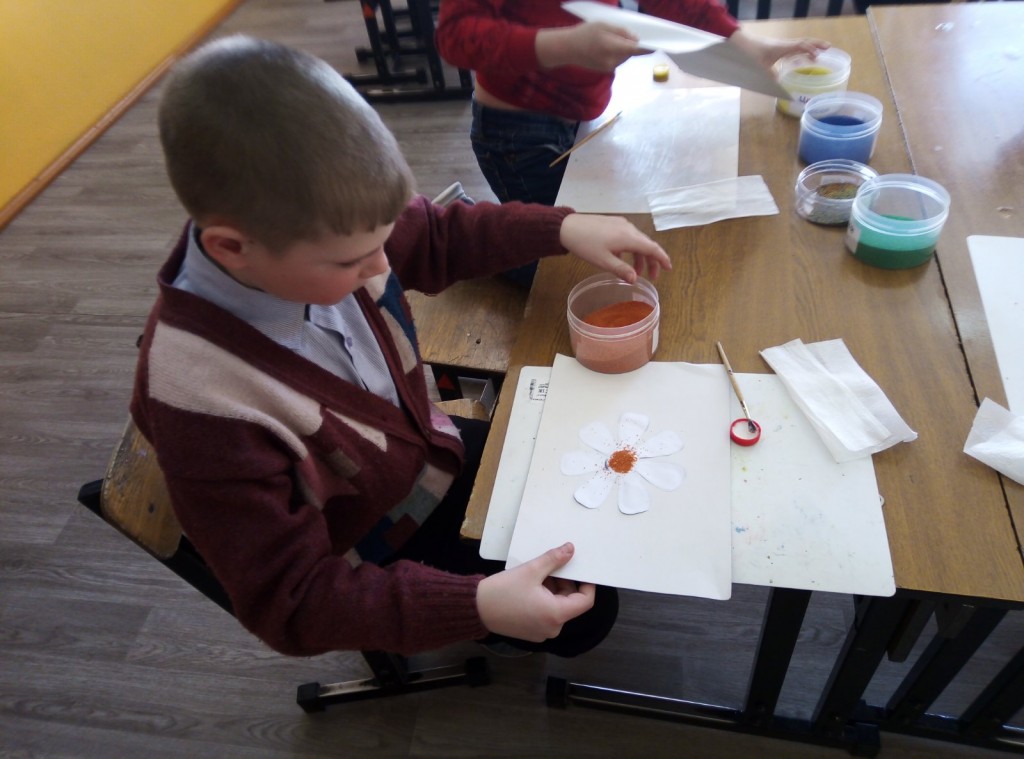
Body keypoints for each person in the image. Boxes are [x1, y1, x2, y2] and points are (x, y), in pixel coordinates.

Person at [132, 35, 672, 659]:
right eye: (353, 262)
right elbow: (292, 604)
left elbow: (438, 234)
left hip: (423, 449)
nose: (379, 267)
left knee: (600, 485)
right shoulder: (199, 404)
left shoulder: (317, 227)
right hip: (376, 539)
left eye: (382, 242)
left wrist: (563, 227)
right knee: (588, 614)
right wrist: (475, 605)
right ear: (232, 248)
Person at [436, 0, 830, 284]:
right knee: (563, 274)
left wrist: (746, 45)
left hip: (578, 122)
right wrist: (566, 45)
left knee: (596, 253)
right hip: (516, 135)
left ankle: (471, 227)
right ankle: (453, 237)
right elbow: (455, 36)